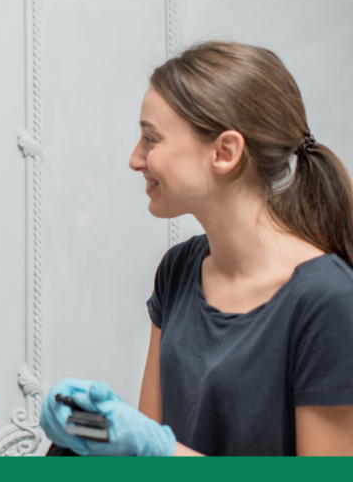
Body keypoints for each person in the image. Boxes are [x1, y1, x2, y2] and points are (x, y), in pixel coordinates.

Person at [40, 42, 353, 456]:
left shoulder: (328, 300)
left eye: (151, 139)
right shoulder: (179, 268)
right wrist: (94, 431)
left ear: (224, 153)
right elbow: (150, 447)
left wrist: (158, 450)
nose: (136, 159)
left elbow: (160, 450)